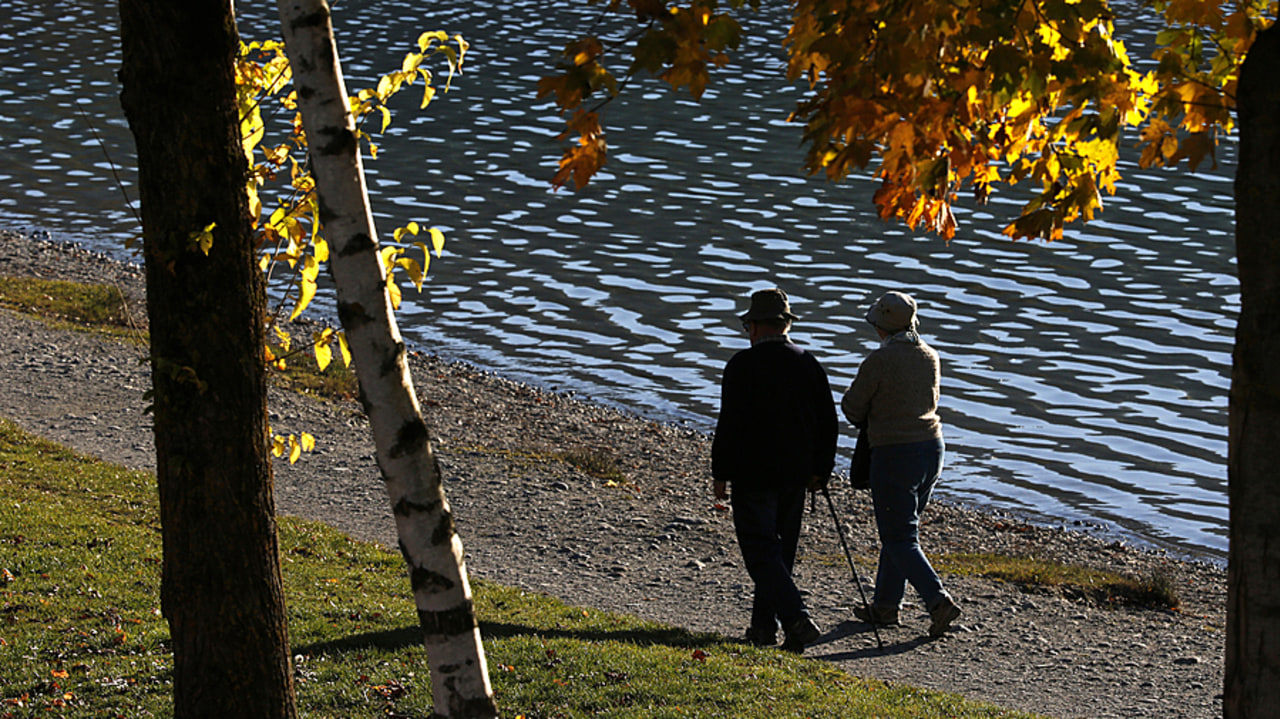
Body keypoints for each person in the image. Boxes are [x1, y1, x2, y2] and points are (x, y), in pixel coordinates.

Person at [712, 287, 838, 653]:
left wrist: (720, 472)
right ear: (786, 325)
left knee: (760, 551)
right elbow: (827, 424)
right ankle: (764, 630)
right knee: (781, 554)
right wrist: (821, 470)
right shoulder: (808, 363)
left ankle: (796, 617)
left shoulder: (741, 365)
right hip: (795, 473)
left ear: (753, 327)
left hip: (753, 472)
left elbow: (729, 423)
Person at [841, 290, 961, 638]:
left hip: (895, 453)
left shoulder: (879, 361)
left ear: (881, 326)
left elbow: (852, 409)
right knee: (900, 533)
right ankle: (885, 606)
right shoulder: (930, 356)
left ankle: (938, 601)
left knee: (899, 537)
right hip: (932, 448)